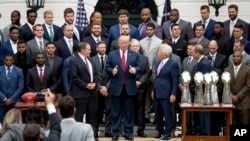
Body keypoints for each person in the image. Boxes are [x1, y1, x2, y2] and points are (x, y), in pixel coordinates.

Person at [106, 35, 141, 141]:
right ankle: (115, 133)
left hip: (129, 88)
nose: (124, 44)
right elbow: (107, 67)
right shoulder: (112, 54)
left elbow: (139, 67)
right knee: (115, 112)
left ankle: (128, 133)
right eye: (122, 42)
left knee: (129, 112)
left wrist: (134, 70)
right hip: (116, 88)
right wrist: (112, 71)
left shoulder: (134, 55)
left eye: (126, 42)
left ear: (128, 44)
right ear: (118, 43)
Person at [69, 42, 98, 139]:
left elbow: (96, 74)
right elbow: (74, 77)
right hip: (80, 94)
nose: (90, 51)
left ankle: (91, 137)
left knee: (92, 116)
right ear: (82, 50)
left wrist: (95, 83)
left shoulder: (90, 59)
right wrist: (86, 85)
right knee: (79, 117)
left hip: (92, 93)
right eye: (89, 49)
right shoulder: (74, 60)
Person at [152, 44, 179, 141]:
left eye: (159, 51)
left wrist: (173, 94)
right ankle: (160, 132)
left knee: (167, 114)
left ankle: (167, 133)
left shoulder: (172, 64)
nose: (157, 53)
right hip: (157, 92)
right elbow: (157, 78)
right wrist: (153, 90)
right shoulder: (160, 62)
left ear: (164, 54)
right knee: (158, 114)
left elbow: (175, 80)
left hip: (167, 94)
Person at [140, 23, 162, 120]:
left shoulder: (159, 42)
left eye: (150, 29)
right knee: (145, 94)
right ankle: (146, 114)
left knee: (155, 92)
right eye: (147, 29)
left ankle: (156, 114)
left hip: (154, 70)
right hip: (144, 71)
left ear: (154, 30)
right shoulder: (141, 42)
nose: (148, 31)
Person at [130, 39, 149, 137]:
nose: (135, 48)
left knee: (140, 110)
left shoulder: (144, 58)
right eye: (133, 46)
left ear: (139, 47)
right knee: (128, 109)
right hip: (129, 87)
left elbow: (146, 72)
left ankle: (141, 130)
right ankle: (128, 130)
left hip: (140, 88)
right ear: (130, 47)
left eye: (137, 46)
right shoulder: (126, 57)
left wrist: (140, 82)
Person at [91, 41, 111, 137]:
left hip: (108, 89)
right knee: (96, 111)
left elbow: (113, 75)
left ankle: (108, 130)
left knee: (109, 110)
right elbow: (92, 75)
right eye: (101, 47)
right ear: (97, 48)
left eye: (104, 47)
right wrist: (99, 87)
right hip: (96, 90)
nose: (103, 49)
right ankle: (95, 131)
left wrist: (106, 87)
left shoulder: (110, 59)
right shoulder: (91, 60)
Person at [224, 51, 250, 125]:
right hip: (230, 102)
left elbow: (248, 85)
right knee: (231, 125)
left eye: (238, 56)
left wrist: (238, 96)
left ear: (242, 58)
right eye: (234, 56)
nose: (235, 58)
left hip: (244, 102)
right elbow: (225, 85)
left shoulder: (248, 69)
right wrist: (231, 96)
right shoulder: (227, 70)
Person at [192, 44, 211, 135]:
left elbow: (204, 81)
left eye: (193, 52)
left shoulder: (203, 63)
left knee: (203, 114)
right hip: (200, 92)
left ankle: (204, 133)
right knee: (200, 114)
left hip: (203, 93)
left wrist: (202, 94)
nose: (192, 54)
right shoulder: (201, 61)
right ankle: (200, 131)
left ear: (197, 53)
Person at [0, 54, 24, 124]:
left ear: (13, 60)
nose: (8, 62)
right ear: (4, 60)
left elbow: (20, 87)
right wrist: (4, 99)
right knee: (2, 122)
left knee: (14, 122)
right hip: (1, 102)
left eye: (10, 60)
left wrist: (11, 99)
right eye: (6, 60)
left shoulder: (19, 71)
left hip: (14, 102)